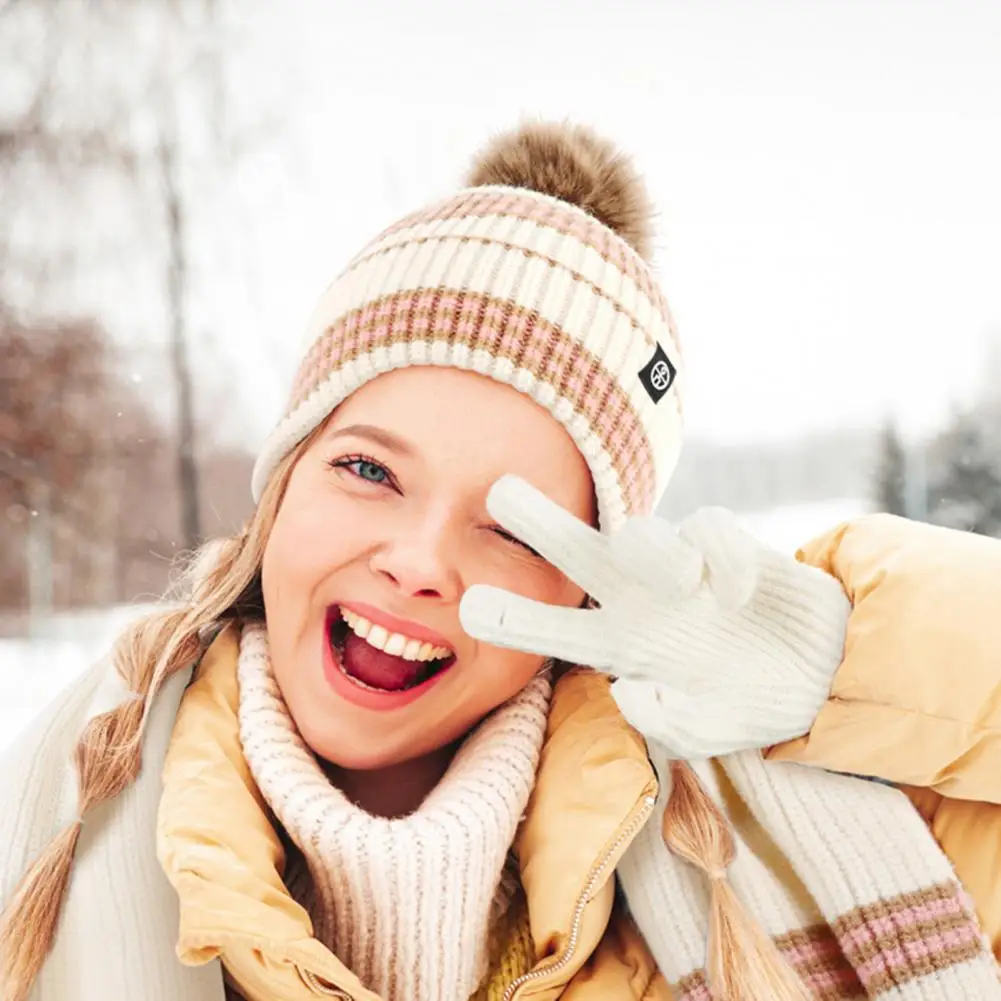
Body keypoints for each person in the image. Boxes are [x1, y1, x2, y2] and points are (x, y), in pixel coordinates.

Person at [0, 121, 998, 1001]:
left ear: (586, 586)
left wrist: (843, 663)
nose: (419, 561)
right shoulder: (51, 829)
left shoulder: (776, 815)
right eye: (367, 469)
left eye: (516, 527)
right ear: (283, 484)